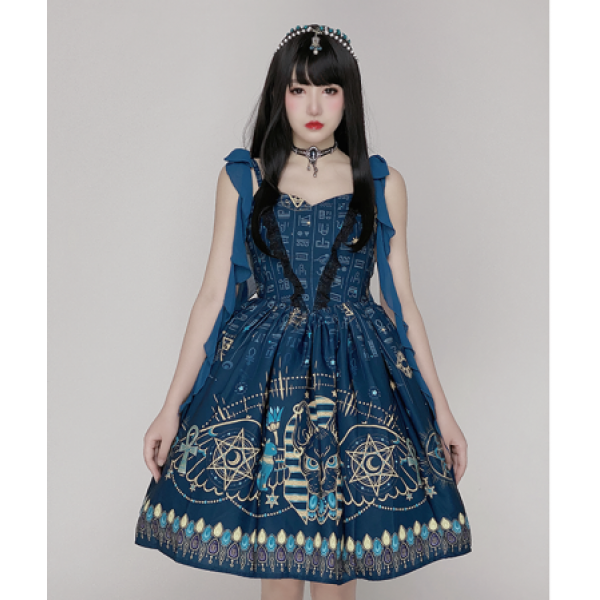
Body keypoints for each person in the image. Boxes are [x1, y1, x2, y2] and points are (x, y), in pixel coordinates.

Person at [134, 23, 471, 600]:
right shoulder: (244, 178)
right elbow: (213, 296)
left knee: (337, 565)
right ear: (279, 95)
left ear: (348, 97)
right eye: (298, 89)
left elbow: (402, 306)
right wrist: (170, 409)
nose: (314, 107)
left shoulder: (382, 183)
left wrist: (443, 412)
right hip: (267, 378)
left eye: (329, 90)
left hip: (356, 377)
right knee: (280, 558)